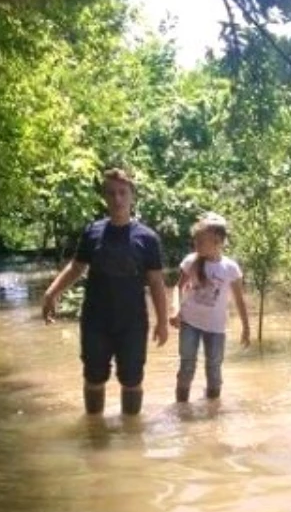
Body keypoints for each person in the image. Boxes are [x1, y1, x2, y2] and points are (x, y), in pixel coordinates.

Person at [41, 168, 169, 416]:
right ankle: (94, 432)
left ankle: (132, 436)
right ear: (104, 197)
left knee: (132, 380)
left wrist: (162, 322)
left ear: (132, 195)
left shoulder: (148, 238)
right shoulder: (93, 232)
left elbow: (156, 283)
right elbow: (76, 268)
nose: (117, 199)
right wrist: (51, 293)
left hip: (132, 322)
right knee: (94, 377)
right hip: (95, 321)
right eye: (111, 193)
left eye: (122, 193)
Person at [170, 213, 251, 402]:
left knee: (214, 369)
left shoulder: (230, 268)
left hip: (216, 328)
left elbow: (240, 300)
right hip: (189, 323)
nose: (196, 244)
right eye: (195, 240)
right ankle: (181, 408)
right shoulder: (191, 261)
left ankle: (212, 413)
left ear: (218, 241)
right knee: (186, 366)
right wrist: (175, 309)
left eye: (201, 241)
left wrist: (246, 328)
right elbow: (178, 287)